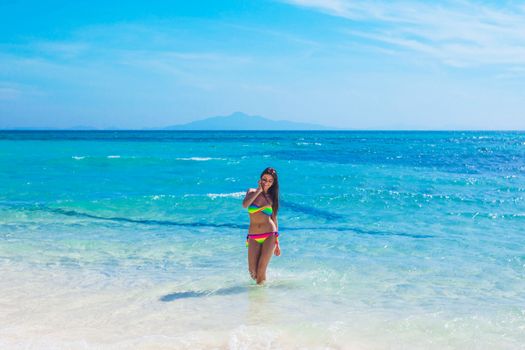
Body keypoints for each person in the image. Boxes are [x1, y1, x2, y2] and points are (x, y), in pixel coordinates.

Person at [242, 167, 280, 284]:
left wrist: (278, 243)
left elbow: (274, 218)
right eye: (264, 179)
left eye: (270, 181)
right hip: (253, 235)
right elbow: (245, 205)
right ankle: (261, 292)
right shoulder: (251, 191)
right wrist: (259, 190)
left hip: (269, 234)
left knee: (261, 270)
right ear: (260, 179)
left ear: (273, 183)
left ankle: (260, 299)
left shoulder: (272, 197)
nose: (267, 183)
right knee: (253, 272)